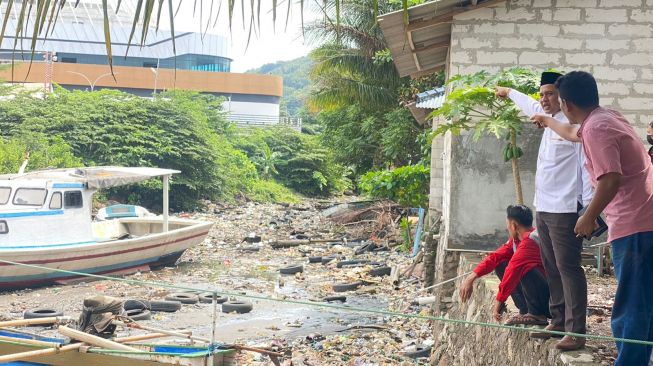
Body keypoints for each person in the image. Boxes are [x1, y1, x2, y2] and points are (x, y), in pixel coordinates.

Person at [531, 71, 653, 366]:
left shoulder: (597, 129)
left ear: (568, 104)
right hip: (643, 218)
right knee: (642, 298)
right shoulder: (604, 117)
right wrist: (547, 121)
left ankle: (630, 361)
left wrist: (589, 216)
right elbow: (573, 133)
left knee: (630, 303)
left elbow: (610, 178)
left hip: (634, 223)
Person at [496, 71, 592, 351]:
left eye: (551, 94)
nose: (544, 100)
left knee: (568, 267)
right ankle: (559, 320)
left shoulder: (573, 126)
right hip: (545, 207)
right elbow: (531, 105)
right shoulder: (545, 115)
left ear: (564, 99)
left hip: (565, 208)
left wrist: (586, 209)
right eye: (542, 94)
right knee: (552, 266)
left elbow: (586, 169)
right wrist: (509, 92)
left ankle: (577, 331)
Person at [459, 205, 550, 326]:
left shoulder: (530, 241)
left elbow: (511, 272)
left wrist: (498, 302)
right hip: (542, 291)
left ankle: (537, 314)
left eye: (507, 224)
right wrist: (471, 277)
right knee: (500, 263)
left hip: (549, 299)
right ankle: (525, 310)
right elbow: (495, 257)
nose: (507, 228)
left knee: (523, 268)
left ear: (514, 225)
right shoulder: (516, 240)